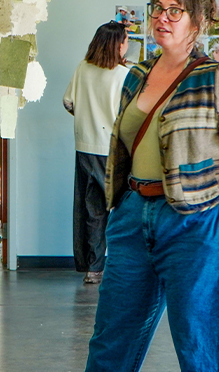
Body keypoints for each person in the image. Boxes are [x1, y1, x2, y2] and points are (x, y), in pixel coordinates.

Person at [86, 0, 219, 372]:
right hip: (132, 217)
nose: (162, 17)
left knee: (200, 349)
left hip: (194, 221)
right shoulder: (136, 75)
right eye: (157, 9)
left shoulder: (216, 77)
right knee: (111, 342)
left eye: (174, 11)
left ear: (196, 24)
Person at [63, 21, 130, 284]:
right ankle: (124, 266)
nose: (127, 45)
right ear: (117, 44)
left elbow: (68, 102)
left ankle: (93, 269)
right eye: (125, 40)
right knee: (123, 209)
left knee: (92, 211)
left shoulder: (83, 69)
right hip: (112, 151)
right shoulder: (124, 75)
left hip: (84, 147)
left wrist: (87, 117)